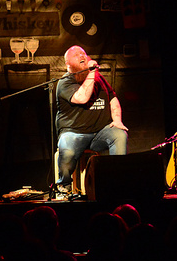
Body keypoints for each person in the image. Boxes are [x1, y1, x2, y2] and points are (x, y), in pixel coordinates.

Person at [54, 45, 128, 197]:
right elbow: (82, 97)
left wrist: (118, 120)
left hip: (99, 133)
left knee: (120, 135)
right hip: (73, 132)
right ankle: (64, 187)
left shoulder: (99, 79)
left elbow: (112, 98)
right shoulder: (64, 83)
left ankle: (118, 182)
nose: (82, 55)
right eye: (76, 55)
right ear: (68, 65)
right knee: (66, 146)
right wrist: (92, 73)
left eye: (83, 53)